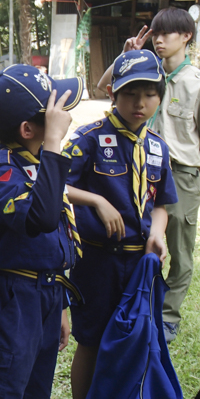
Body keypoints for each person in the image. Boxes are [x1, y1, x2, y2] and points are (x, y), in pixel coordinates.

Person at [0, 65, 83, 398]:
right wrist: (55, 143)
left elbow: (55, 235)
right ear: (28, 128)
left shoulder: (36, 159)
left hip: (43, 294)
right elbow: (40, 219)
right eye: (54, 115)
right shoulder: (1, 164)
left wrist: (58, 304)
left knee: (36, 388)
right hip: (9, 302)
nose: (64, 119)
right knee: (0, 388)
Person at [66, 50, 178, 399]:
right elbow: (54, 185)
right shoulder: (90, 138)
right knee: (93, 340)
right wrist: (96, 200)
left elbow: (162, 202)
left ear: (160, 96)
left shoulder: (157, 147)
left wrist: (157, 233)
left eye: (149, 94)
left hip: (140, 265)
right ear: (113, 93)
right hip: (99, 262)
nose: (139, 103)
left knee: (138, 339)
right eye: (130, 93)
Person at [97, 8, 200, 343]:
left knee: (179, 251)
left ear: (186, 37)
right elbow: (104, 87)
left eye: (167, 33)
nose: (158, 39)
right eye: (155, 32)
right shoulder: (145, 72)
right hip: (137, 169)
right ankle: (136, 303)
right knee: (137, 240)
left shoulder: (195, 84)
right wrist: (125, 57)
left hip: (181, 175)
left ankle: (167, 317)